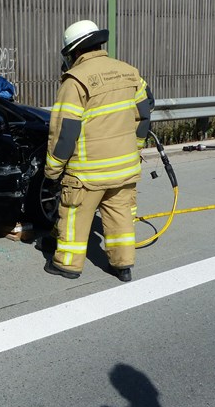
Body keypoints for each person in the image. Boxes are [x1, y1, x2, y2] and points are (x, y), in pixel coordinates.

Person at [43, 20, 154, 282]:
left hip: (87, 173)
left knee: (74, 216)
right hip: (124, 168)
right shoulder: (130, 73)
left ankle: (67, 265)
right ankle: (123, 266)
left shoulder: (75, 81)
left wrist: (53, 170)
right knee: (120, 215)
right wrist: (136, 147)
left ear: (74, 52)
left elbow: (64, 132)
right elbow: (144, 115)